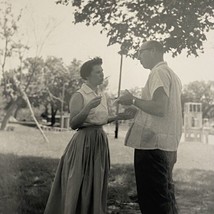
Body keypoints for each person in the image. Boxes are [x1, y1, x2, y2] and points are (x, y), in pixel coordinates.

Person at [44, 57, 131, 214]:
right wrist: (88, 107)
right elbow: (73, 124)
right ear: (87, 76)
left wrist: (119, 117)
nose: (102, 74)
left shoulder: (102, 95)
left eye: (102, 71)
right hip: (84, 143)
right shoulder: (79, 95)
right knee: (79, 182)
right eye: (98, 72)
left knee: (96, 182)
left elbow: (100, 119)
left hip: (99, 141)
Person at [117, 41, 182, 214]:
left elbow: (160, 108)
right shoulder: (172, 74)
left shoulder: (158, 72)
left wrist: (132, 100)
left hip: (153, 147)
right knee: (165, 197)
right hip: (168, 146)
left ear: (154, 51)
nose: (138, 57)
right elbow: (164, 110)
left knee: (153, 202)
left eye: (141, 52)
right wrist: (138, 109)